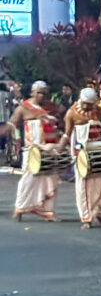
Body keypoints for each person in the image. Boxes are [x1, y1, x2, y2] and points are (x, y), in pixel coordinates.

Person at [62, 87, 101, 228]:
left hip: (99, 152)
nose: (87, 107)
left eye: (90, 104)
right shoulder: (71, 113)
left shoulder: (98, 111)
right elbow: (67, 134)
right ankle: (86, 218)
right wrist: (60, 147)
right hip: (82, 154)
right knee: (84, 186)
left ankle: (99, 213)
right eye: (85, 103)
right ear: (81, 100)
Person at [10, 81, 62, 221]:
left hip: (50, 148)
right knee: (28, 178)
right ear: (32, 92)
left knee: (51, 179)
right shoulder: (23, 108)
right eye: (39, 92)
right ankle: (20, 208)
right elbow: (13, 124)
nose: (41, 96)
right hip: (32, 149)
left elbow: (61, 122)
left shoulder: (52, 106)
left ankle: (47, 211)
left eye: (44, 93)